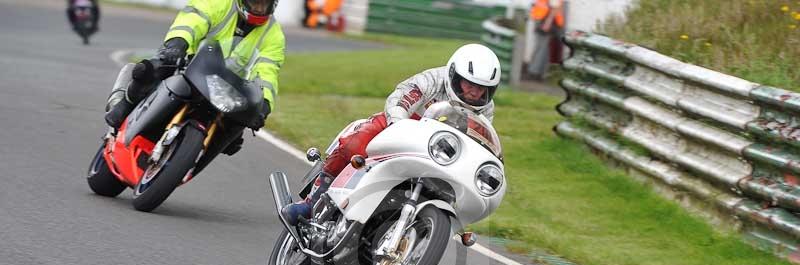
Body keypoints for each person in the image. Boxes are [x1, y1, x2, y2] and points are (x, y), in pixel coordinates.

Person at [283, 43, 502, 225]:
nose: (474, 92)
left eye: (482, 89)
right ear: (453, 75)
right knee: (355, 145)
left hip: (438, 149)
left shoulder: (486, 109)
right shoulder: (434, 79)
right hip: (404, 125)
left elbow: (476, 143)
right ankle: (312, 202)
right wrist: (399, 124)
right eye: (469, 84)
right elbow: (401, 99)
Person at [104, 0, 285, 148]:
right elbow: (192, 20)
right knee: (153, 69)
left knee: (236, 133)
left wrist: (265, 104)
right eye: (254, 2)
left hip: (227, 86)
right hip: (188, 62)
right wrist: (178, 42)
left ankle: (194, 157)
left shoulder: (274, 35)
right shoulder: (219, 3)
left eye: (264, 4)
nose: (258, 8)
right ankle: (124, 104)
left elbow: (268, 72)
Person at [527, 0, 566, 81]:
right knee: (542, 48)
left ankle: (535, 73)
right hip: (542, 19)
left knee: (542, 48)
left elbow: (555, 7)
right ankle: (538, 73)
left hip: (546, 21)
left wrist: (548, 22)